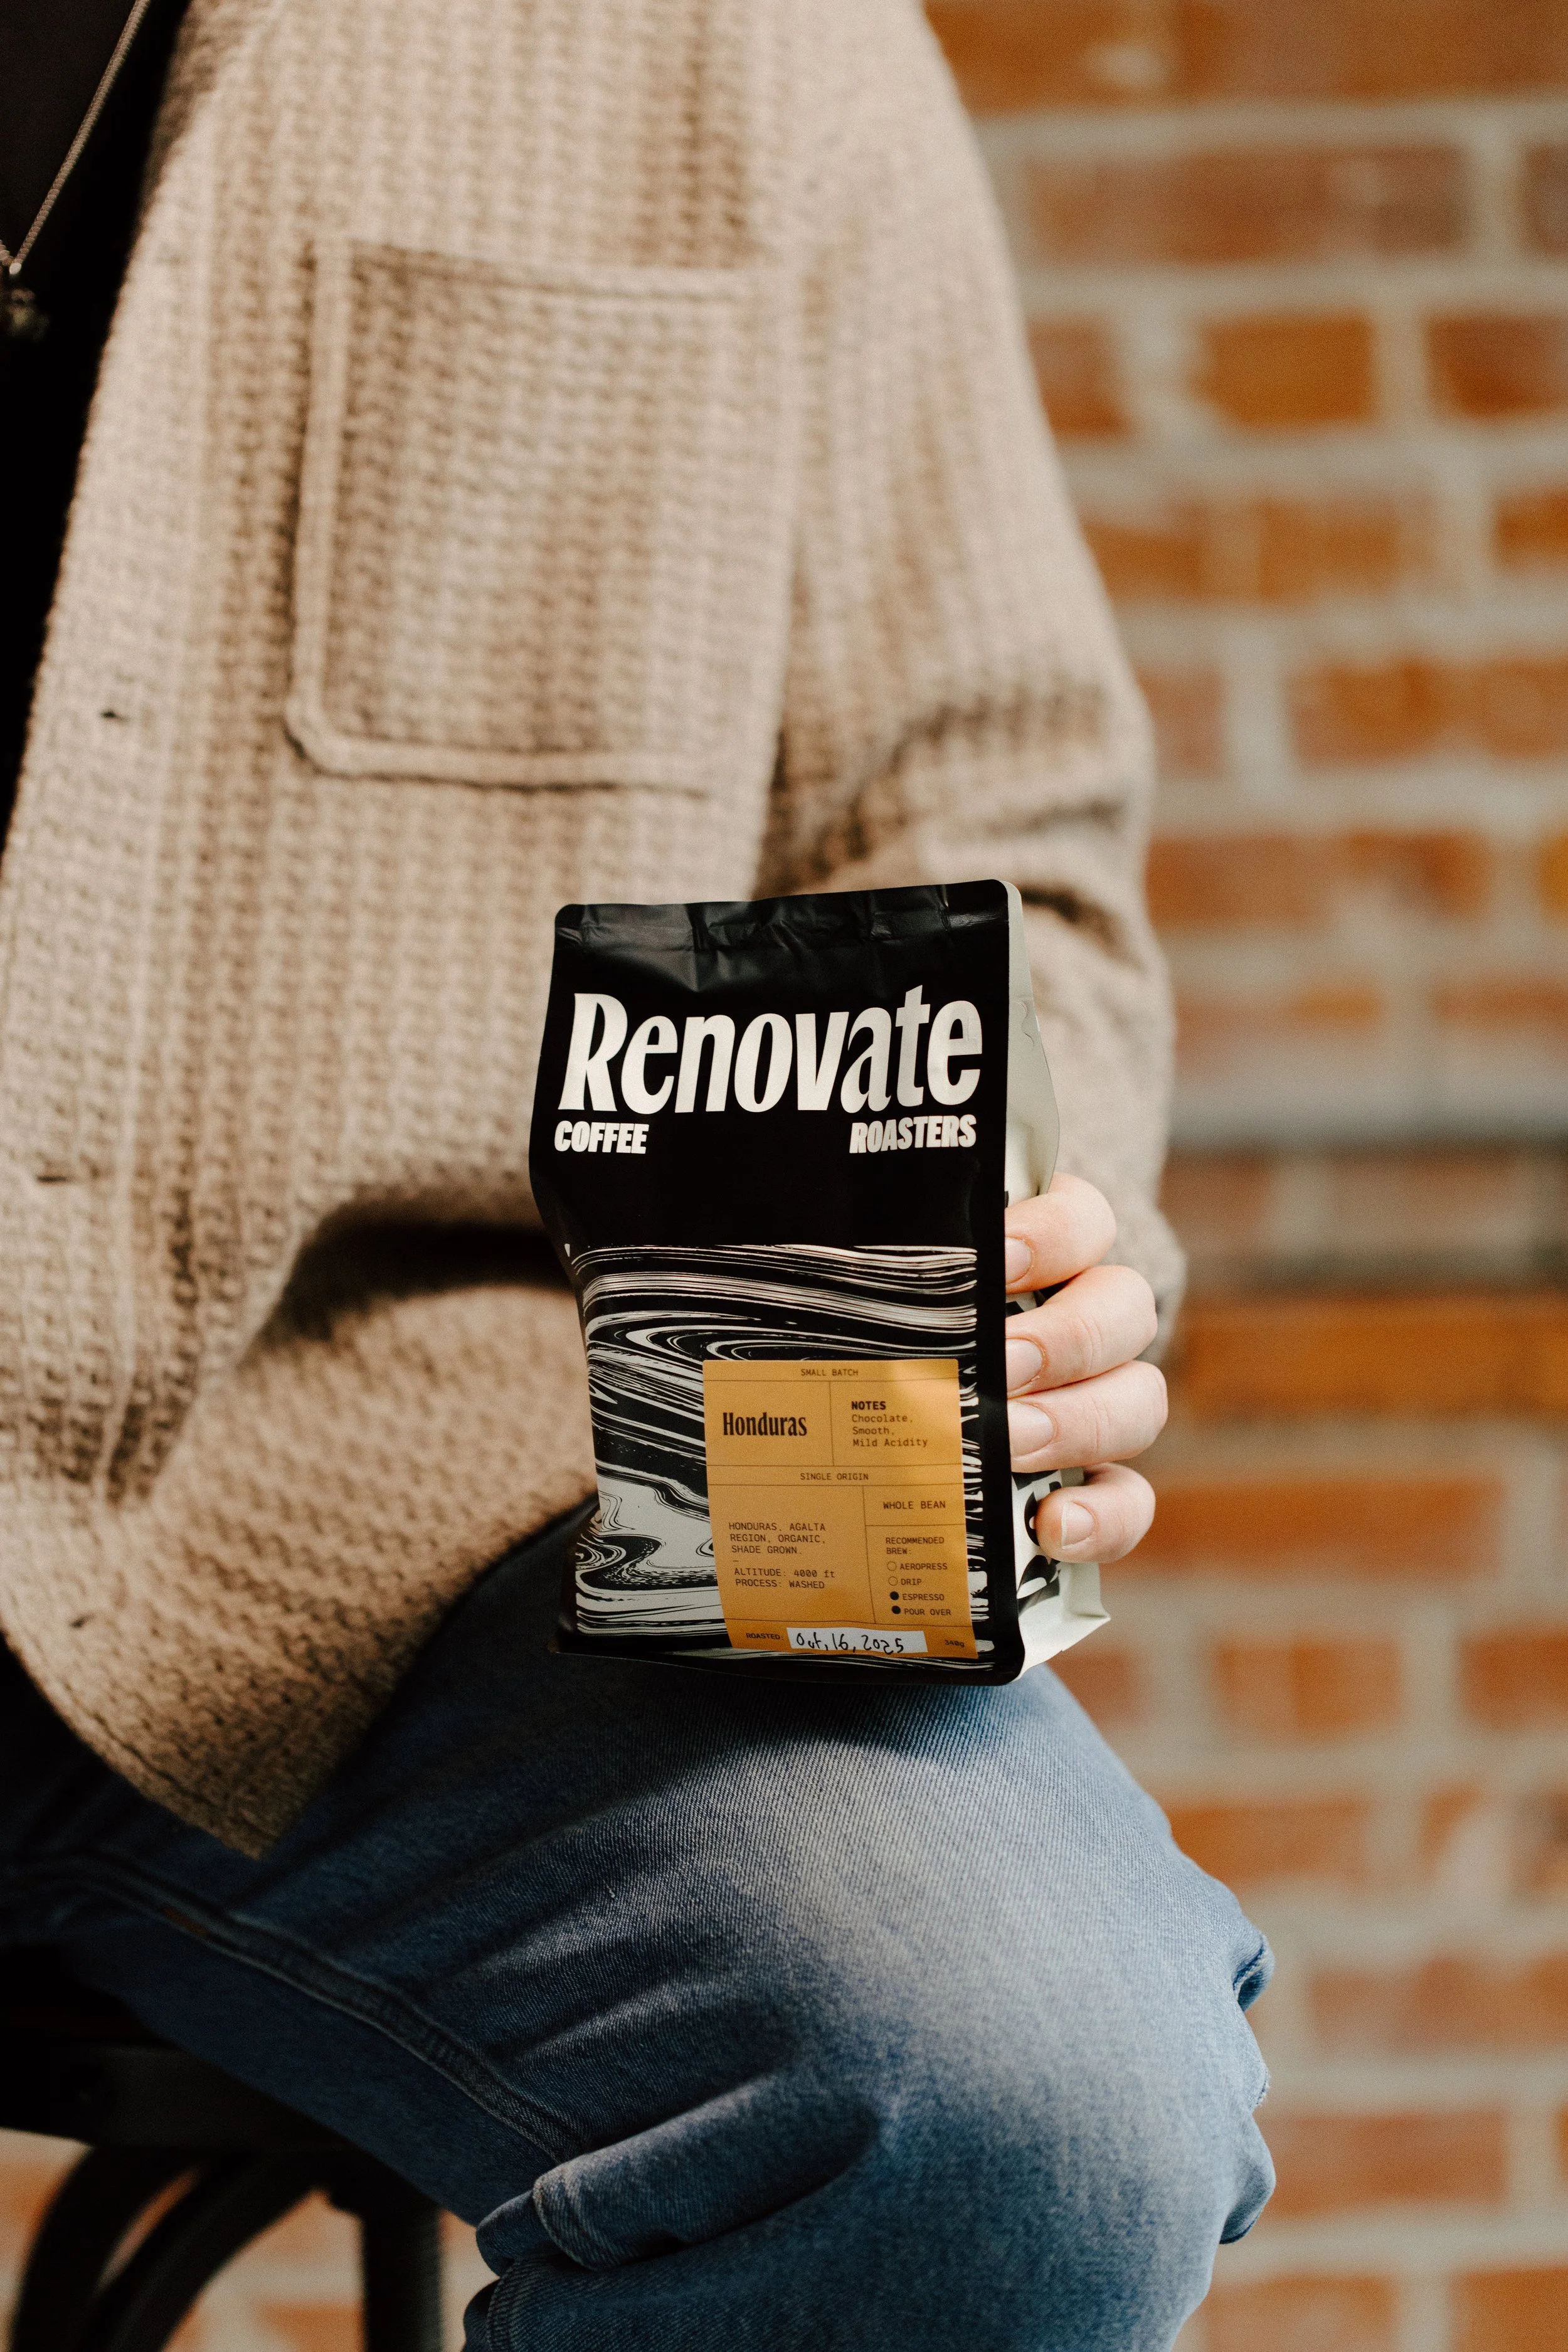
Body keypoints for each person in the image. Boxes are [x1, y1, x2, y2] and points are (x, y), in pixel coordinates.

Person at [0, 1, 1274, 2344]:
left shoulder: (747, 39)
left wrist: (1028, 1241)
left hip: (399, 1517)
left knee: (1020, 2092)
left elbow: (992, 847)